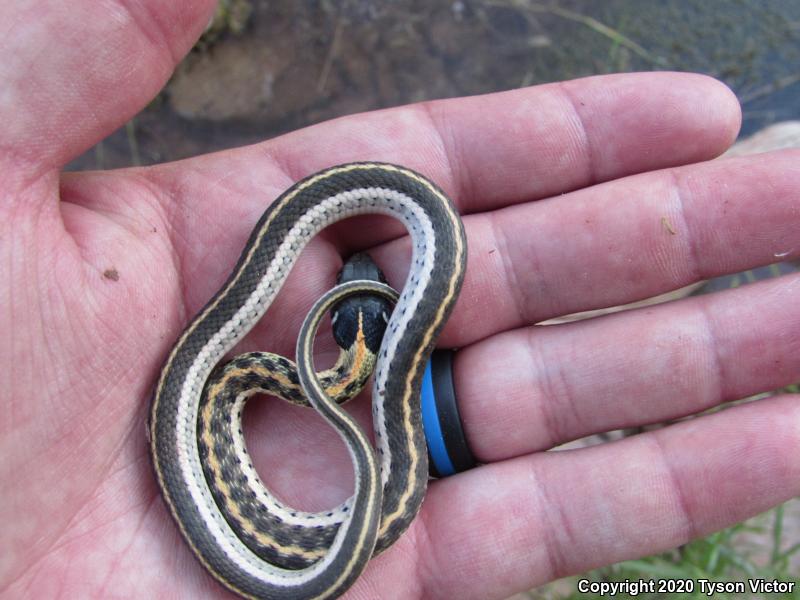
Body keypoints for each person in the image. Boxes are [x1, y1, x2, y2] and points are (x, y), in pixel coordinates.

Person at [2, 2, 798, 598]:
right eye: (368, 287)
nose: (367, 276)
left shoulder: (292, 368)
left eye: (368, 289)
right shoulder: (246, 374)